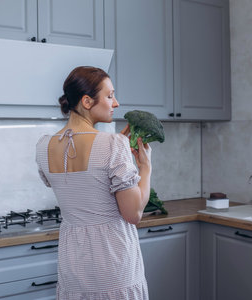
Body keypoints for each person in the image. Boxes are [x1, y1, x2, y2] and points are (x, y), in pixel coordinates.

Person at [36, 66, 152, 299]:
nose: (116, 103)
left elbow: (81, 188)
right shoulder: (113, 144)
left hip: (73, 265)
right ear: (87, 101)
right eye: (110, 96)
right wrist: (145, 169)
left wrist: (118, 151)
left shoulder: (43, 146)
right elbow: (133, 214)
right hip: (113, 262)